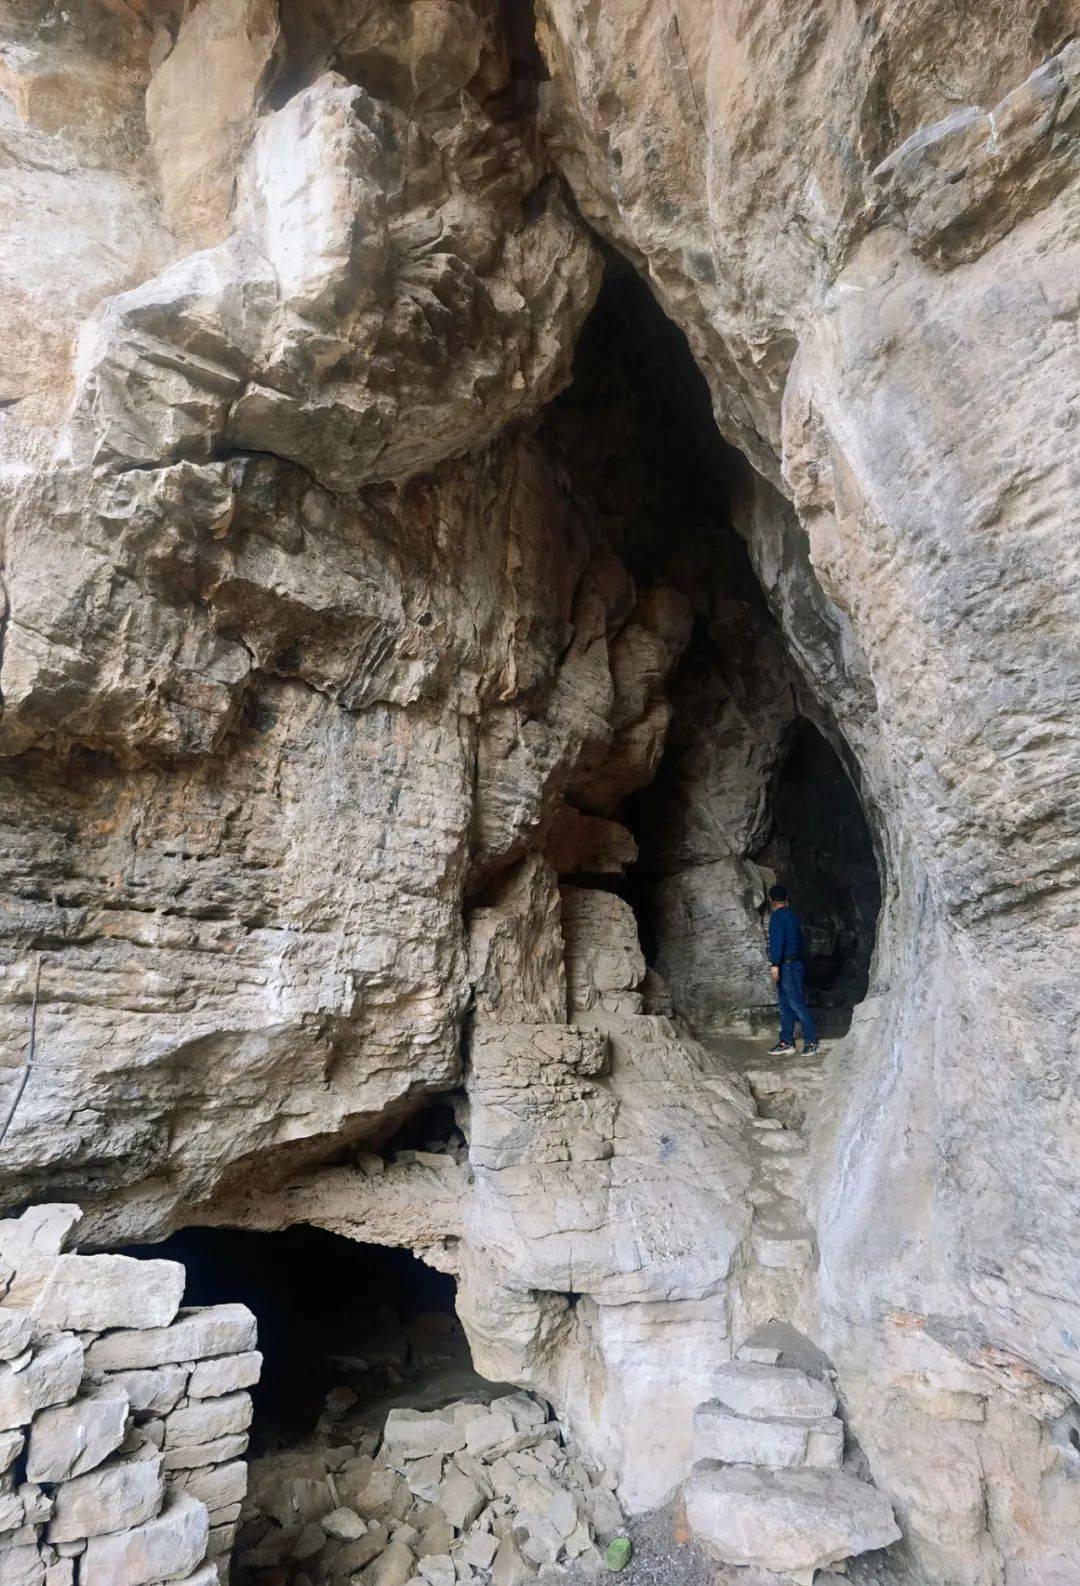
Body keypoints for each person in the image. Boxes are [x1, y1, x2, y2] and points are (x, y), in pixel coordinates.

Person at [765, 884, 819, 1056]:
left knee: (795, 1005)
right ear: (786, 898)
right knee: (786, 1005)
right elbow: (802, 944)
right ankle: (786, 1041)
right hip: (795, 964)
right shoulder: (794, 917)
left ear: (771, 900)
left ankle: (811, 1041)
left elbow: (777, 942)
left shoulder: (777, 917)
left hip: (785, 966)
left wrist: (775, 965)